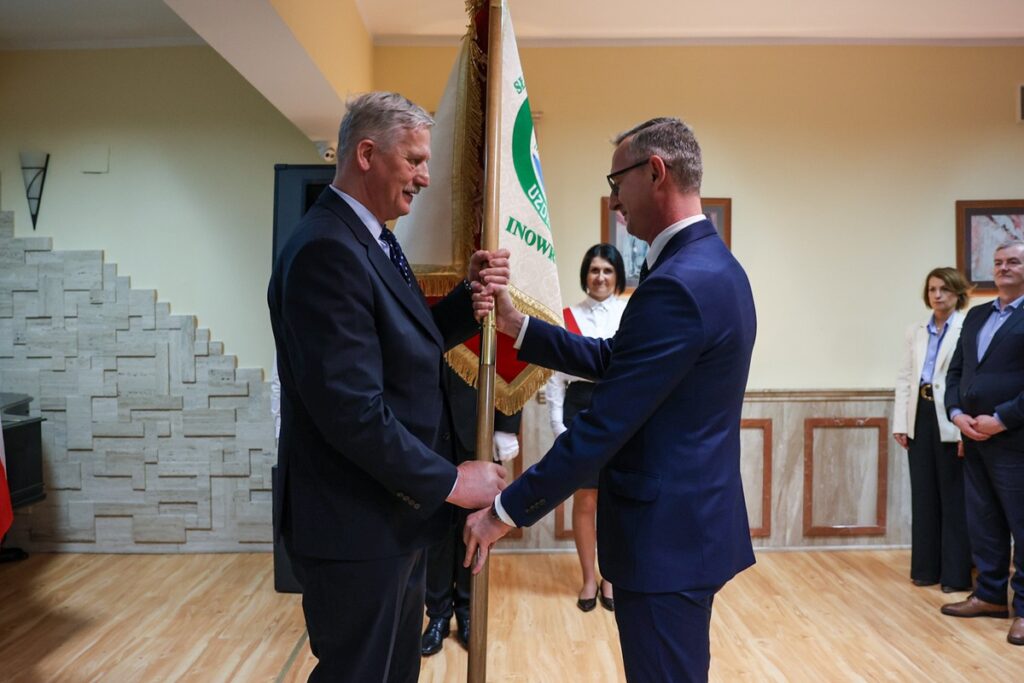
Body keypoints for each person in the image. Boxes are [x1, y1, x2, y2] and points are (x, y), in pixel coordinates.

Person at [465, 117, 757, 682]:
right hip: (692, 522)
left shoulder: (677, 282)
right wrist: (520, 327)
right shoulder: (712, 265)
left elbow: (602, 427)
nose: (614, 198)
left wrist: (504, 513)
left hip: (665, 538)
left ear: (655, 172)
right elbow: (618, 360)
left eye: (616, 180)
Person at [267, 91, 510, 683]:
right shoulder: (328, 248)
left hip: (386, 520)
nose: (425, 177)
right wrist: (452, 480)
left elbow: (397, 341)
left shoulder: (368, 236)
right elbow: (352, 410)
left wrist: (462, 303)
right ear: (368, 154)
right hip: (355, 527)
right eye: (415, 160)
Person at [942, 240, 1024, 647]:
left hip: (1015, 438)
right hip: (973, 437)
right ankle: (990, 595)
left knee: (1021, 524)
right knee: (984, 520)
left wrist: (1002, 419)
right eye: (998, 262)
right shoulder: (976, 315)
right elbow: (956, 372)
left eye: (1013, 262)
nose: (1003, 268)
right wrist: (956, 414)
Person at [545, 243, 627, 612]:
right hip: (580, 409)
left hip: (620, 409)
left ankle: (612, 578)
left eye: (607, 271)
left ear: (618, 276)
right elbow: (555, 378)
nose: (600, 277)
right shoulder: (567, 316)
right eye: (594, 270)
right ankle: (589, 578)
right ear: (585, 275)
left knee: (617, 499)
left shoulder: (631, 313)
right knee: (586, 499)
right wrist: (559, 427)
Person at [421, 366, 522, 656]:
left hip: (477, 422)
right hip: (428, 424)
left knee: (475, 527)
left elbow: (508, 358)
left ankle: (467, 609)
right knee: (434, 527)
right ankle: (438, 613)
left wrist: (507, 423)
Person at [892, 267, 972, 592]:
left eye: (943, 289)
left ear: (957, 293)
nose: (937, 295)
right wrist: (901, 423)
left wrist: (964, 427)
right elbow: (905, 377)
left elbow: (967, 379)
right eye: (932, 290)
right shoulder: (917, 331)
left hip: (951, 416)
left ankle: (955, 575)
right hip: (920, 415)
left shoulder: (967, 328)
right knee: (923, 494)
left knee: (953, 497)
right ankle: (925, 569)